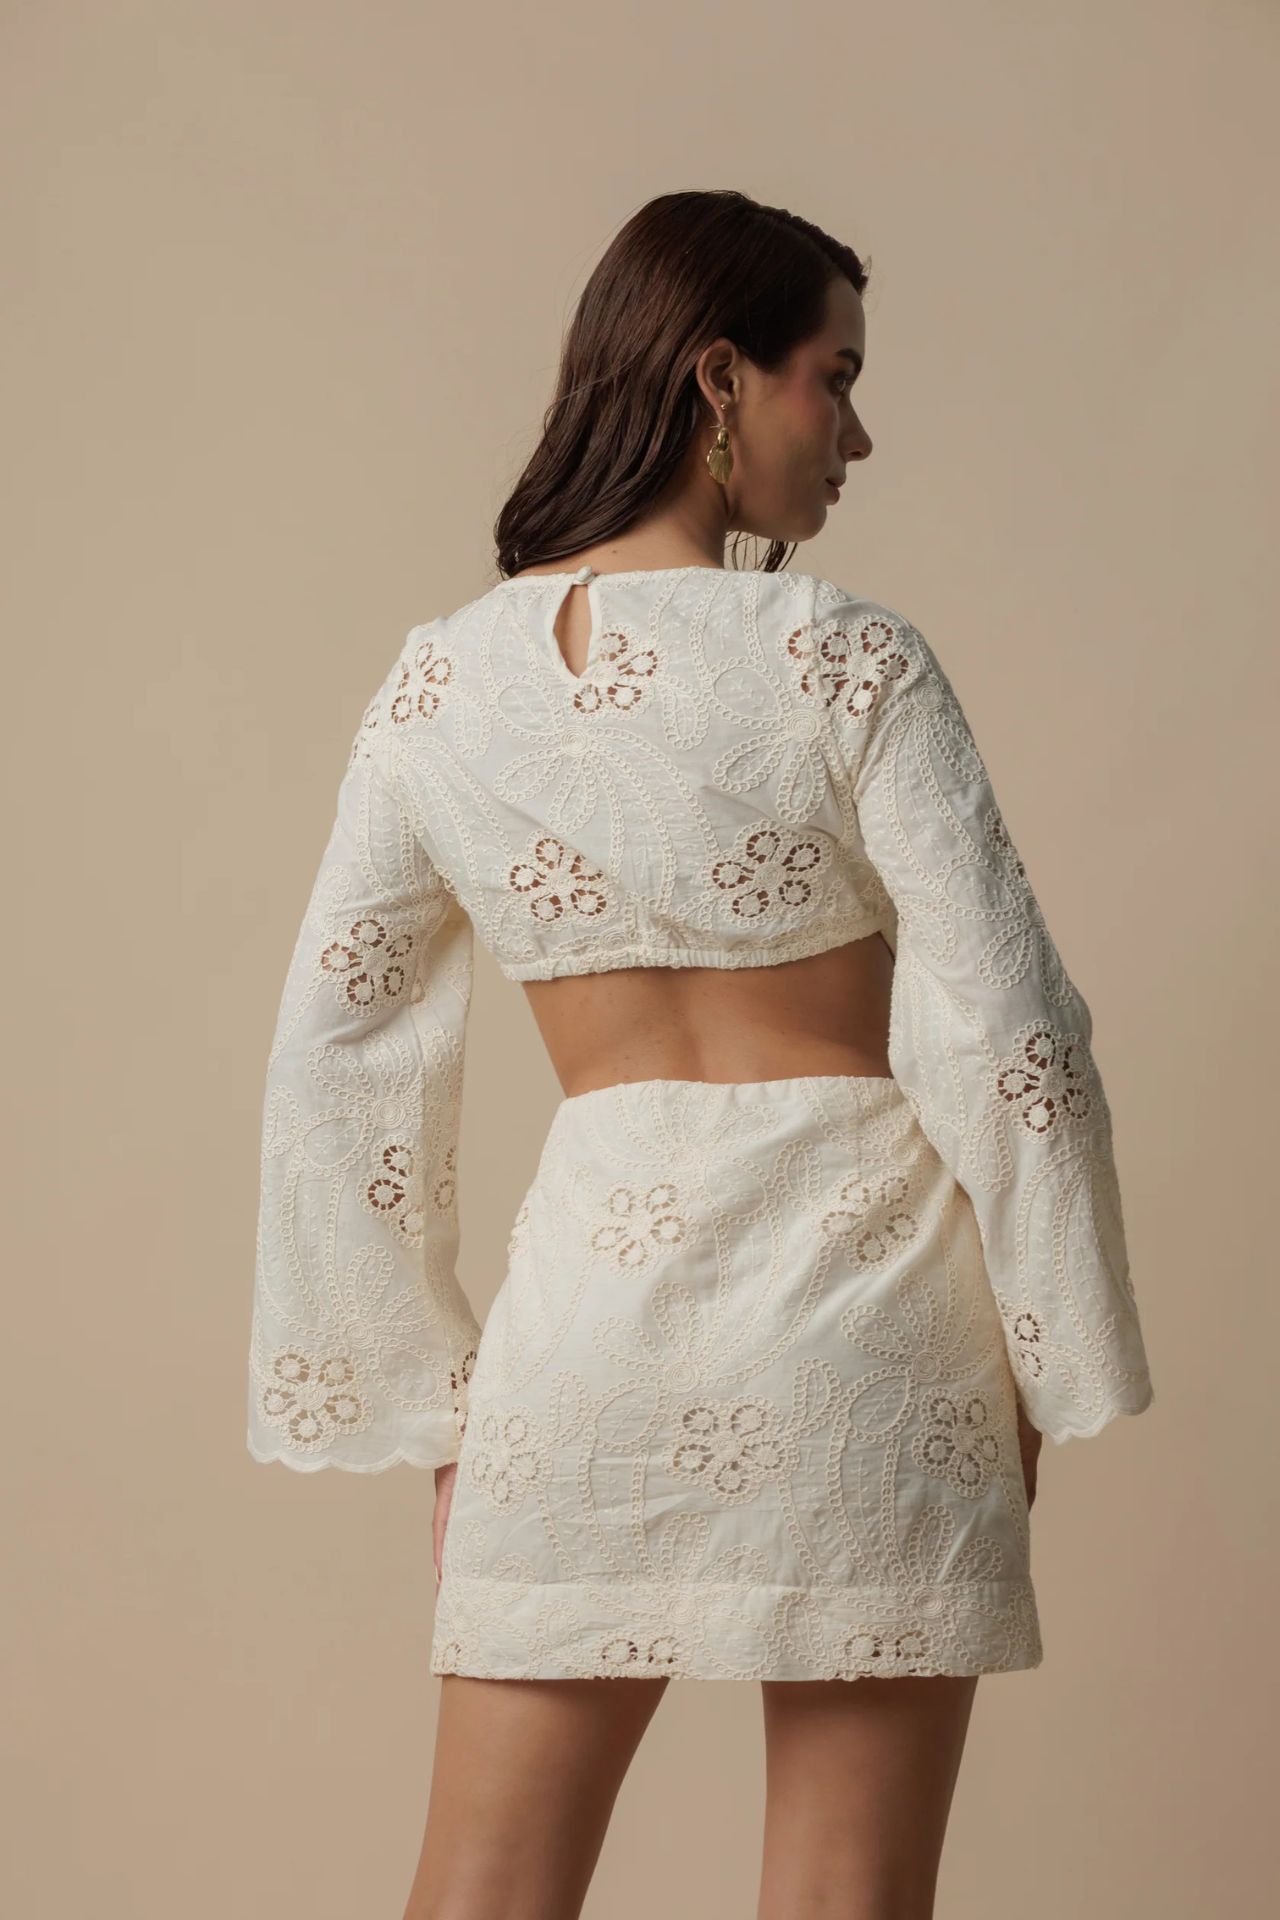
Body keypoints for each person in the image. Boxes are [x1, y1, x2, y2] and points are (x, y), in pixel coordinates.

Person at [246, 189, 1154, 1920]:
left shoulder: (439, 687)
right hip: (877, 1316)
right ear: (719, 378)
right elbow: (1018, 1035)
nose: (858, 436)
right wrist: (1044, 1353)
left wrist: (440, 1405)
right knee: (845, 1897)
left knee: (482, 1888)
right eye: (838, 378)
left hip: (587, 1326)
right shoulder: (845, 657)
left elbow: (333, 1054)